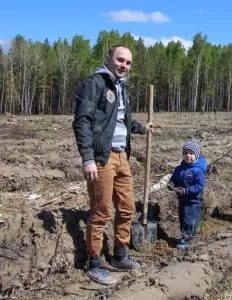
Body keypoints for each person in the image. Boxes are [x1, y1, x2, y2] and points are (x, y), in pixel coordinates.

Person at [73, 45, 153, 285]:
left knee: (128, 208)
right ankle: (94, 263)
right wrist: (88, 158)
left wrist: (141, 128)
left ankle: (120, 255)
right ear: (109, 59)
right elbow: (82, 122)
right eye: (120, 60)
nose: (124, 66)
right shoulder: (95, 83)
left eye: (128, 63)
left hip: (122, 157)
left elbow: (121, 120)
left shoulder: (122, 86)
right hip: (102, 158)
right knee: (101, 211)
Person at [167, 141, 207, 250]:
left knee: (191, 220)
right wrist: (171, 183)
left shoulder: (198, 170)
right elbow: (174, 178)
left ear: (196, 155)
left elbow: (199, 186)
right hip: (182, 201)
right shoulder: (180, 168)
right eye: (185, 153)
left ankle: (189, 239)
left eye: (191, 153)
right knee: (183, 219)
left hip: (193, 202)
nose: (188, 155)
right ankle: (184, 235)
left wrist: (185, 191)